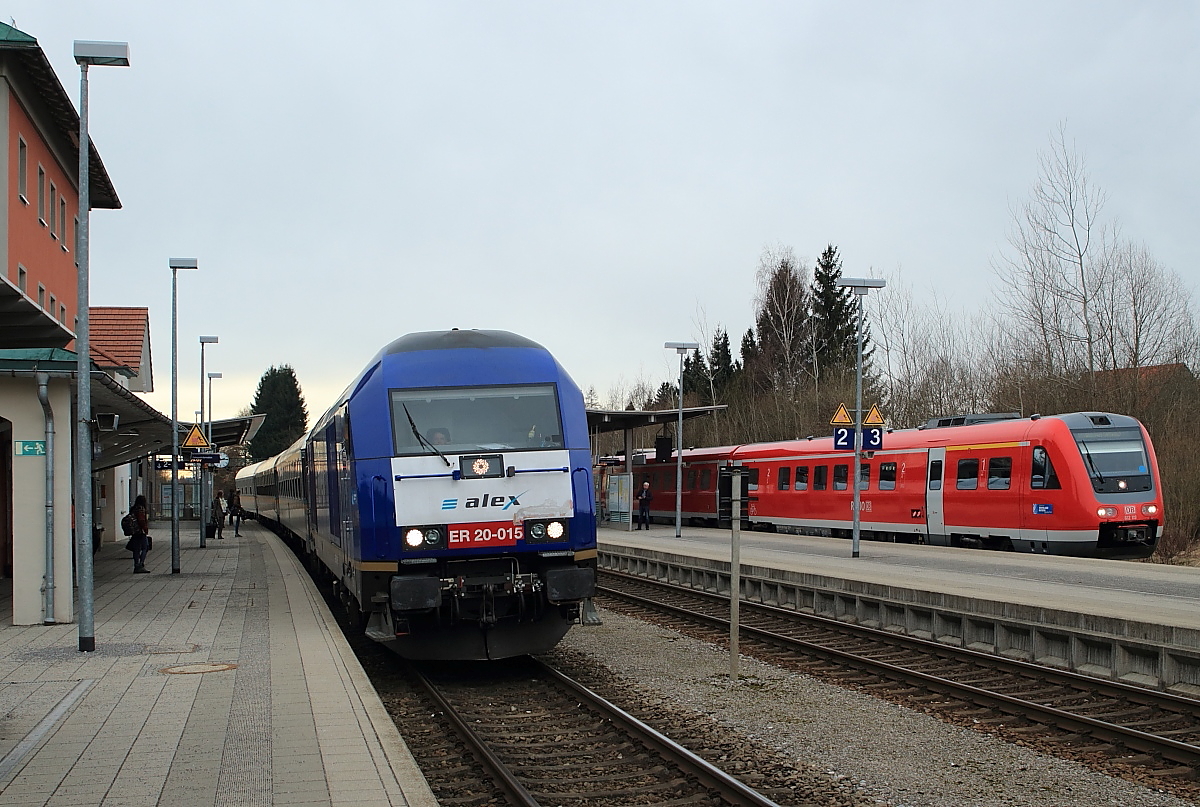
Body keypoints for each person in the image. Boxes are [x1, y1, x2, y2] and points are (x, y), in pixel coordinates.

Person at [130, 494, 151, 573]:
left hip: (134, 531)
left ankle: (136, 564)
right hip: (140, 531)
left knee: (136, 549)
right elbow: (141, 520)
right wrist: (145, 529)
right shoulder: (141, 509)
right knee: (145, 547)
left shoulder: (133, 508)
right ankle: (141, 564)